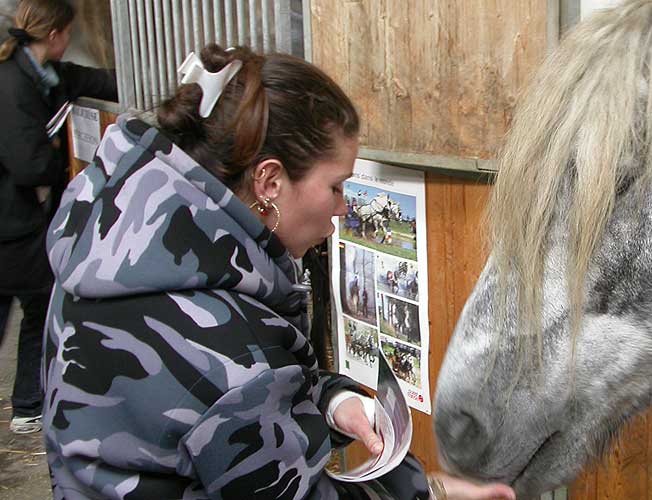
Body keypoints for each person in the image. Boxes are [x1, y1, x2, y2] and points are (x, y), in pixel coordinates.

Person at [43, 44, 513, 499]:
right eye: (335, 186)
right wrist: (428, 492)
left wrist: (331, 401)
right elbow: (232, 382)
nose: (343, 207)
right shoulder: (227, 344)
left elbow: (216, 392)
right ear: (269, 182)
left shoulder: (109, 253)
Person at [0, 0, 115, 434]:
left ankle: (29, 402)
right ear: (55, 35)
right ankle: (29, 402)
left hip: (19, 222)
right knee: (41, 309)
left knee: (34, 309)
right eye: (68, 33)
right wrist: (63, 163)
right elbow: (28, 163)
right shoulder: (11, 84)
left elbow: (99, 80)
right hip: (12, 226)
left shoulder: (47, 76)